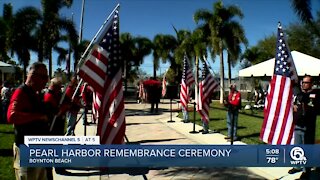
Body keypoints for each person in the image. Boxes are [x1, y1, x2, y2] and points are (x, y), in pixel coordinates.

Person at [7, 62, 49, 180]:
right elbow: (12, 116)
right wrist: (38, 117)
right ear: (33, 76)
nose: (46, 81)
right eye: (44, 77)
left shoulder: (34, 93)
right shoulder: (21, 92)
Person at [288, 75, 320, 179]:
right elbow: (296, 102)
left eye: (306, 82)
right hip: (298, 124)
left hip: (308, 126)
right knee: (297, 147)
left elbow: (305, 99)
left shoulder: (315, 94)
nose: (304, 84)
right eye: (303, 82)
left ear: (311, 84)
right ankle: (296, 166)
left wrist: (296, 89)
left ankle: (307, 170)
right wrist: (294, 106)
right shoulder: (299, 95)